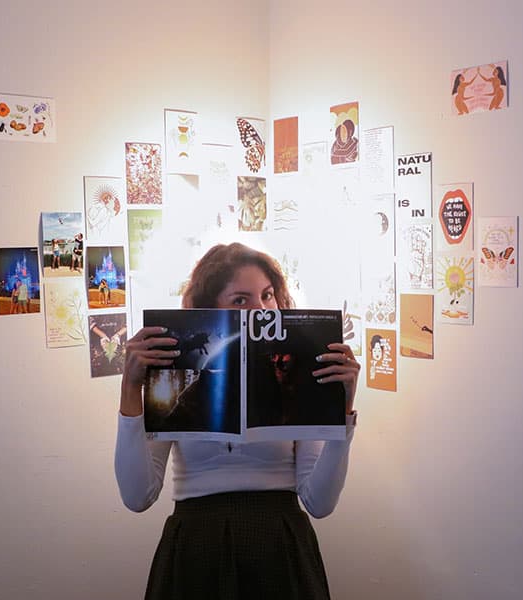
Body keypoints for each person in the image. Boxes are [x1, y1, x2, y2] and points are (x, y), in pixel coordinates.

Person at [115, 242, 360, 600]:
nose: (261, 310)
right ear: (210, 310)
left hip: (280, 544)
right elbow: (137, 495)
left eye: (268, 295)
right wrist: (131, 388)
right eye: (241, 300)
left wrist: (342, 411)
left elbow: (320, 503)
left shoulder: (297, 373)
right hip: (196, 548)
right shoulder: (176, 368)